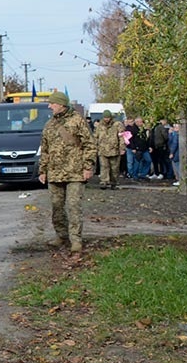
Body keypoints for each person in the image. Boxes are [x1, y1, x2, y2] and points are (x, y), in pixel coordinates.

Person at [38, 91, 96, 253]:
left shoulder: (77, 121)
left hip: (75, 172)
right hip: (55, 173)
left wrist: (88, 167)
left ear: (61, 104)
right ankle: (61, 236)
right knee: (57, 207)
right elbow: (45, 150)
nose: (50, 106)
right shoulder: (49, 125)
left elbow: (89, 145)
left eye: (52, 103)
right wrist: (42, 170)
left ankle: (76, 240)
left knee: (73, 206)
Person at [94, 109, 124, 189]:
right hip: (102, 150)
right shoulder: (99, 126)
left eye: (108, 117)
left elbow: (121, 137)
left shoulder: (117, 125)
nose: (106, 119)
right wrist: (95, 148)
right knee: (104, 166)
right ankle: (104, 182)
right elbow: (95, 137)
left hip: (114, 149)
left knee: (114, 168)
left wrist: (122, 148)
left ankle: (114, 182)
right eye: (105, 117)